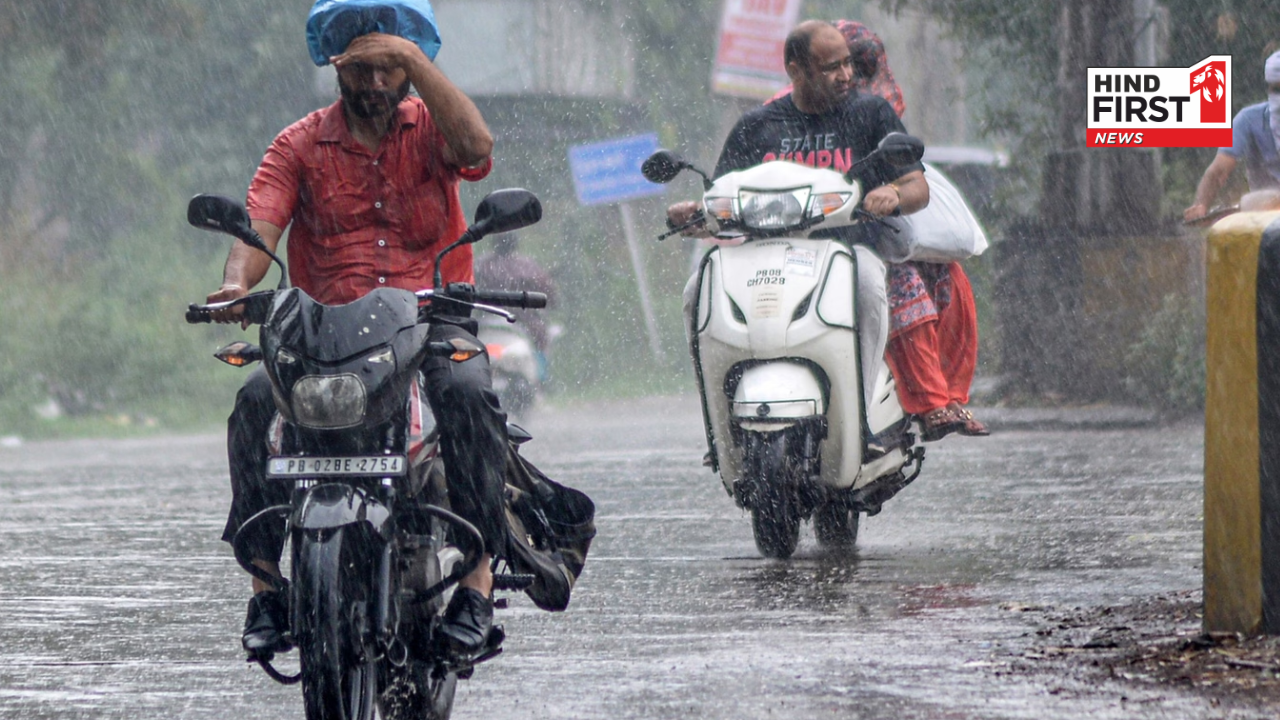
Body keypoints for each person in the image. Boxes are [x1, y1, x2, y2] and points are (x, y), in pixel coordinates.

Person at [207, 7, 503, 658]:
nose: (374, 82)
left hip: (430, 319)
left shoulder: (435, 129)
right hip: (324, 333)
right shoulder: (298, 144)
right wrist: (235, 285)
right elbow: (259, 228)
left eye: (389, 67)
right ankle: (265, 586)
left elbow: (477, 149)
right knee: (253, 403)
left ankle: (477, 583)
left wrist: (414, 58)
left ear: (411, 68)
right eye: (361, 67)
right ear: (336, 66)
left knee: (469, 392)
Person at [669, 20, 933, 437]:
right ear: (795, 70)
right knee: (696, 292)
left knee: (869, 287)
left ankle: (860, 417)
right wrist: (695, 214)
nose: (846, 75)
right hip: (763, 256)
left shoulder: (871, 114)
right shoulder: (757, 126)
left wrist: (894, 193)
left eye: (847, 63)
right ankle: (719, 426)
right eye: (831, 67)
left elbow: (917, 186)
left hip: (846, 253)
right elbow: (721, 197)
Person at [1184, 50, 1280, 222]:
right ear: (1269, 89)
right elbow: (1219, 170)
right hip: (1263, 213)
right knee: (1253, 201)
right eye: (1277, 89)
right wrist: (1201, 205)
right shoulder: (1249, 119)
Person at [473, 231, 558, 371]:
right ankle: (539, 373)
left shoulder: (480, 266)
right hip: (524, 325)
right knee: (542, 340)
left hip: (484, 324)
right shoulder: (529, 267)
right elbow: (551, 297)